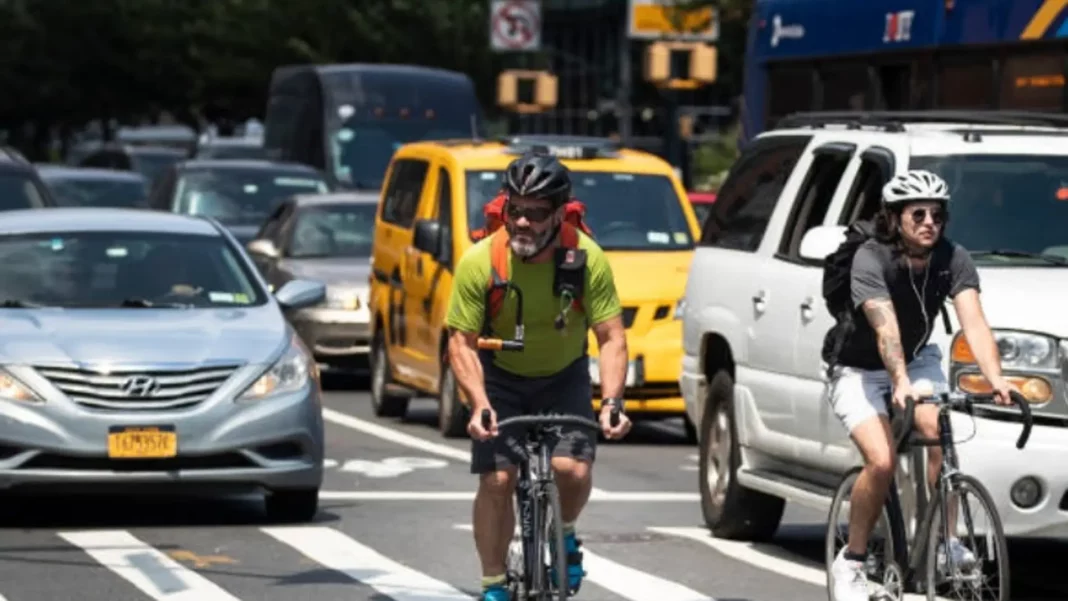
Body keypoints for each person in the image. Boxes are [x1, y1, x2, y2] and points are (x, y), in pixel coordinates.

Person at [445, 151, 633, 601]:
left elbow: (610, 337)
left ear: (559, 214)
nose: (523, 222)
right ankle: (494, 584)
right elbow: (460, 343)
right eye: (515, 210)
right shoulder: (481, 261)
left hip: (563, 375)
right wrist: (479, 404)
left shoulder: (586, 258)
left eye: (536, 212)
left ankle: (564, 533)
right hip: (499, 378)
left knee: (572, 470)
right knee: (497, 480)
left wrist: (612, 402)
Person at [824, 169, 1015, 601]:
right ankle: (852, 561)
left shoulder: (953, 257)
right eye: (918, 214)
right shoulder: (871, 257)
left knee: (938, 433)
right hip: (857, 368)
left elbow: (974, 323)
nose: (930, 222)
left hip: (916, 359)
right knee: (881, 461)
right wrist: (899, 381)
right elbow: (885, 327)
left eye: (937, 214)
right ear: (895, 218)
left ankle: (947, 542)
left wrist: (996, 379)